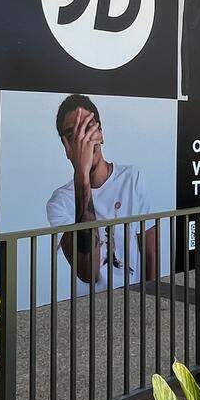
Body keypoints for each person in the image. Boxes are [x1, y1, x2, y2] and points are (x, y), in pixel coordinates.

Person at [45, 95, 157, 291]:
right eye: (73, 135)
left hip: (133, 297)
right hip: (91, 304)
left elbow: (150, 252)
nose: (83, 140)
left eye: (88, 128)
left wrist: (149, 298)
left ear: (101, 134)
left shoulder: (132, 177)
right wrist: (82, 175)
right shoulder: (60, 202)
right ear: (67, 147)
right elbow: (89, 273)